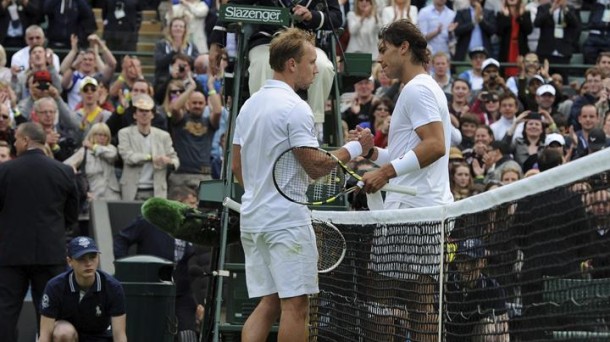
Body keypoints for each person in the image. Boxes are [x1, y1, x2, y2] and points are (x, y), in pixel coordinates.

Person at [230, 28, 372, 342]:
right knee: (296, 305)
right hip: (284, 221)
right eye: (311, 61)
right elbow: (316, 165)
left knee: (269, 302)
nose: (316, 68)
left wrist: (260, 193)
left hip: (253, 219)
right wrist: (356, 148)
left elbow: (237, 166)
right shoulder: (296, 108)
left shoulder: (248, 106)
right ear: (291, 64)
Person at [358, 19, 453, 342]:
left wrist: (384, 173)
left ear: (404, 48)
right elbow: (409, 155)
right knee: (420, 302)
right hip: (425, 210)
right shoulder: (421, 89)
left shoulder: (418, 90)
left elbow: (435, 146)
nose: (380, 59)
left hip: (411, 212)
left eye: (383, 51)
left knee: (381, 297)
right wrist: (374, 156)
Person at [0, 122, 79, 342]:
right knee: (50, 312)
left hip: (11, 254)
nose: (14, 143)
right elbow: (72, 214)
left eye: (16, 139)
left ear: (26, 140)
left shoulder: (5, 171)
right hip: (49, 253)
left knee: (5, 312)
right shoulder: (63, 171)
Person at [113, 187, 204, 342]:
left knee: (188, 334)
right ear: (177, 204)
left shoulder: (192, 226)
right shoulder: (149, 221)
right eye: (191, 204)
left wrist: (197, 302)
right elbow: (121, 239)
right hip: (152, 290)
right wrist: (126, 268)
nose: (195, 209)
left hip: (181, 292)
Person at [39, 236, 127, 342]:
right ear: (69, 261)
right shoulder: (54, 287)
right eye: (81, 258)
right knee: (63, 332)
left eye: (92, 256)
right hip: (69, 337)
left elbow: (120, 336)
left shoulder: (113, 287)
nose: (88, 263)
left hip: (100, 338)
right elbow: (44, 336)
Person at [118, 94, 179, 200]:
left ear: (152, 115)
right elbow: (128, 157)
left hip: (156, 190)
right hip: (133, 190)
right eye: (141, 111)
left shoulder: (163, 135)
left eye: (147, 111)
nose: (144, 114)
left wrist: (168, 161)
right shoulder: (124, 133)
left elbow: (175, 160)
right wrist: (151, 157)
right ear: (135, 115)